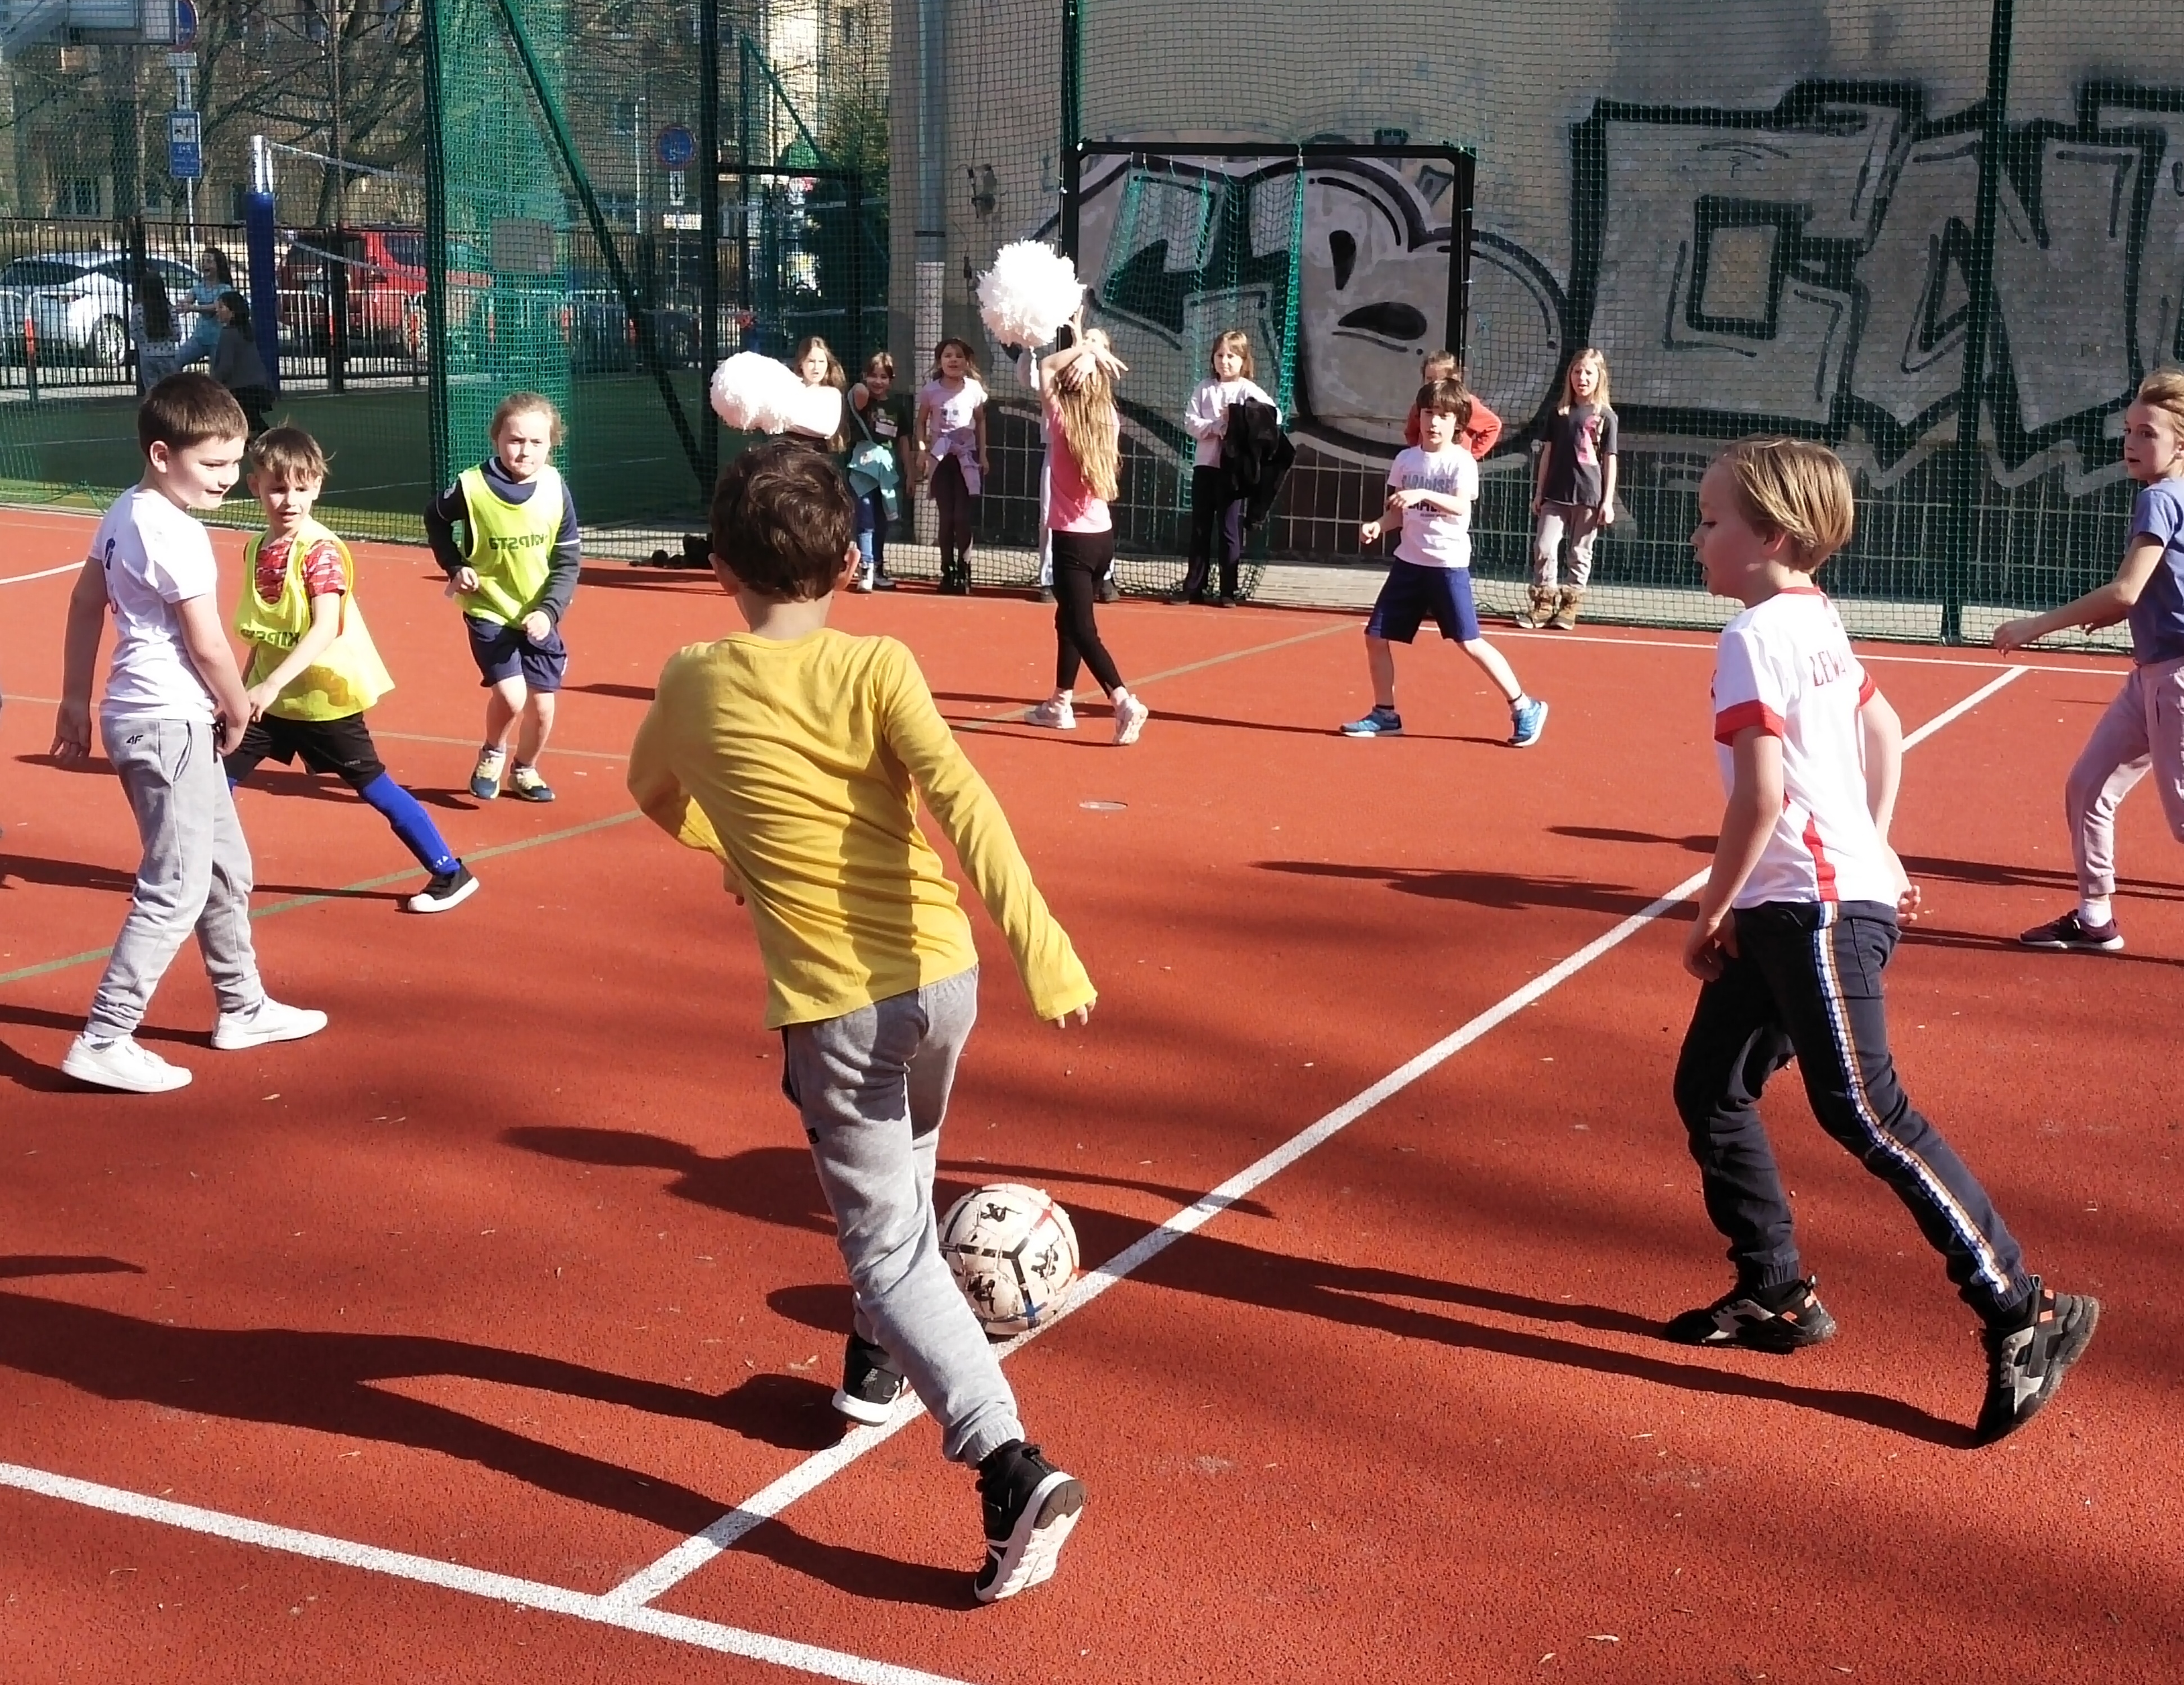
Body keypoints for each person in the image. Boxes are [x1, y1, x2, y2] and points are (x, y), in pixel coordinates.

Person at [626, 439, 1095, 1604]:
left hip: (836, 1010)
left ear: (718, 564)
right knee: (908, 1168)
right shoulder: (881, 662)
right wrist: (1042, 947)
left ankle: (1007, 1465)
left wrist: (738, 851)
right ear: (848, 562)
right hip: (944, 981)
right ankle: (878, 1368)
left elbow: (654, 794)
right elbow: (962, 801)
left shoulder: (691, 680)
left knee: (887, 1249)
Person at [1672, 435, 2096, 1444]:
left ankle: (2022, 1307)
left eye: (1711, 520)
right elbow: (1884, 728)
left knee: (1866, 1110)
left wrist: (1709, 912)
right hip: (1807, 903)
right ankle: (1774, 1291)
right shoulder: (1816, 617)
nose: (1695, 537)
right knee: (1712, 1087)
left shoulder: (1754, 636)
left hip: (1809, 911)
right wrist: (1876, 841)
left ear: (1772, 536)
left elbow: (1760, 795)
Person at [49, 372, 329, 1094]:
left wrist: (76, 699)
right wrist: (238, 710)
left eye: (235, 462)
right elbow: (206, 645)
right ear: (162, 454)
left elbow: (84, 602)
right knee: (175, 886)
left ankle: (242, 1005)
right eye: (213, 463)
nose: (230, 477)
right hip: (167, 721)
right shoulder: (176, 531)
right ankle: (106, 1036)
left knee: (225, 868)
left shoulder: (125, 510)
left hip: (155, 718)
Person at [226, 426, 478, 914]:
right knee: (218, 777)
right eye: (277, 488)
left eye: (301, 488)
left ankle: (450, 871)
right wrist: (242, 690)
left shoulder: (319, 552)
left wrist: (270, 685)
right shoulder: (256, 548)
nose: (289, 500)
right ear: (254, 486)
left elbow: (326, 628)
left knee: (373, 785)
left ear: (317, 486)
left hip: (323, 700)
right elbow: (263, 631)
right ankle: (202, 872)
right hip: (272, 699)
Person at [1996, 368, 2184, 952]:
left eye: (2148, 433)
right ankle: (2095, 917)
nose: (2131, 443)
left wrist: (2034, 626)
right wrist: (2128, 611)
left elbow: (2126, 590)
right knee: (2089, 785)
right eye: (2129, 431)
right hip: (2151, 676)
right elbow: (2148, 591)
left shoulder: (2159, 498)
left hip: (2175, 678)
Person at [1344, 379, 1548, 747]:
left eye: (1443, 416)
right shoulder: (1405, 460)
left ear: (1458, 423)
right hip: (1409, 564)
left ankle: (1525, 706)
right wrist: (1378, 525)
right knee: (1375, 637)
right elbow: (1398, 512)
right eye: (1428, 413)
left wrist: (1423, 492)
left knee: (1470, 642)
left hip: (1447, 566)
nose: (1434, 422)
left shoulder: (1461, 461)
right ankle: (1385, 714)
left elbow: (1460, 506)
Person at [424, 391, 583, 804]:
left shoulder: (555, 487)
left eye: (536, 442)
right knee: (512, 698)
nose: (525, 451)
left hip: (538, 616)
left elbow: (568, 561)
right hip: (489, 608)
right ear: (496, 438)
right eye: (515, 440)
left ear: (552, 444)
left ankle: (525, 769)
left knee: (543, 708)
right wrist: (455, 566)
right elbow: (435, 519)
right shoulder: (471, 486)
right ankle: (493, 753)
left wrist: (549, 611)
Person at [1025, 321, 1149, 745]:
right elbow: (1069, 373)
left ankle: (1123, 700)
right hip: (1102, 540)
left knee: (1082, 628)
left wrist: (1085, 349)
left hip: (1072, 542)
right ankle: (1061, 703)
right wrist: (1089, 349)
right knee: (1068, 620)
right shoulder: (1108, 418)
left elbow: (1046, 366)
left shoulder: (1060, 419)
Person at [1173, 328, 1279, 607]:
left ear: (1244, 360)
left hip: (1233, 472)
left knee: (1229, 529)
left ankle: (1228, 589)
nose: (1225, 361)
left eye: (1232, 356)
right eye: (1220, 355)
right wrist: (1217, 426)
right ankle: (1194, 586)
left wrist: (1240, 418)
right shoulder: (1205, 387)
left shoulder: (1248, 389)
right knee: (1200, 527)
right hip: (1205, 467)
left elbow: (1273, 415)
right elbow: (1191, 422)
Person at [1520, 347, 1617, 631]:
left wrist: (1607, 501)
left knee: (1580, 552)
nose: (1582, 378)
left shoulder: (1606, 416)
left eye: (1588, 373)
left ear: (1599, 377)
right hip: (1555, 494)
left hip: (1589, 496)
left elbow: (1610, 459)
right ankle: (1544, 603)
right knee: (1544, 547)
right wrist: (1540, 492)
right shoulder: (1558, 413)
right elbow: (1547, 454)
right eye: (1577, 372)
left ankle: (1569, 606)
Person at [916, 338, 989, 594]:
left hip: (966, 459)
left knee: (962, 517)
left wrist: (983, 455)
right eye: (948, 355)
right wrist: (923, 451)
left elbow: (981, 422)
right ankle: (947, 571)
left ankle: (964, 569)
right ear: (940, 361)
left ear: (967, 362)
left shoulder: (974, 389)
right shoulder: (931, 391)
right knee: (946, 517)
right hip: (941, 460)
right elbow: (921, 422)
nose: (953, 360)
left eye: (958, 356)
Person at [847, 350, 911, 591]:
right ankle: (866, 568)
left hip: (886, 471)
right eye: (873, 375)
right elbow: (858, 392)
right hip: (862, 470)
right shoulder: (862, 400)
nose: (878, 381)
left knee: (882, 522)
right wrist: (862, 383)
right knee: (866, 519)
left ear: (891, 380)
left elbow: (903, 441)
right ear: (865, 376)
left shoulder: (897, 407)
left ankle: (878, 568)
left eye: (884, 377)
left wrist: (910, 472)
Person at [1403, 349, 1501, 462]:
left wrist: (1472, 455)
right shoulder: (1421, 404)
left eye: (1440, 379)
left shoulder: (1464, 403)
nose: (1434, 384)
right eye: (1429, 379)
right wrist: (1418, 453)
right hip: (1426, 462)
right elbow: (1411, 432)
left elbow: (1493, 425)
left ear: (1453, 379)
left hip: (1455, 462)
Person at [210, 292, 274, 438]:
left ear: (232, 312)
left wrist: (212, 383)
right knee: (252, 421)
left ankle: (273, 442)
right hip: (257, 386)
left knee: (248, 423)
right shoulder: (245, 330)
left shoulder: (228, 333)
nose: (217, 311)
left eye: (221, 307)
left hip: (241, 389)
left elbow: (226, 366)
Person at [173, 245, 232, 372]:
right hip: (199, 338)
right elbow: (188, 299)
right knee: (177, 359)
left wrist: (193, 308)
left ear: (218, 266)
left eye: (209, 261)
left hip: (218, 340)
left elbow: (215, 307)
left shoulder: (225, 289)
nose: (204, 264)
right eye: (203, 261)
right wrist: (182, 305)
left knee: (217, 373)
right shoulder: (198, 288)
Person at [790, 334, 849, 456]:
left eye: (822, 362)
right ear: (801, 363)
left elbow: (827, 428)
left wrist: (786, 420)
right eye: (811, 361)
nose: (817, 367)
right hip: (789, 453)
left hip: (818, 455)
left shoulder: (832, 394)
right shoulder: (790, 389)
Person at [130, 260, 184, 393]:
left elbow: (134, 334)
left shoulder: (137, 310)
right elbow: (177, 335)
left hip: (147, 356)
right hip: (168, 356)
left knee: (152, 393)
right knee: (170, 392)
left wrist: (144, 341)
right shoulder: (170, 309)